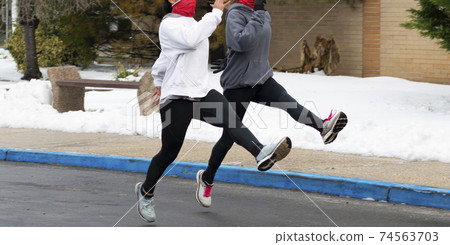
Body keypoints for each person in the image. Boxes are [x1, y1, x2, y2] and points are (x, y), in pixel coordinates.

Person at [135, 0, 292, 223]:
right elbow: (190, 41)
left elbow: (166, 56)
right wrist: (216, 12)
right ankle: (146, 192)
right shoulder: (169, 25)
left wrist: (158, 78)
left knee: (231, 119)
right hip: (177, 99)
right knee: (169, 152)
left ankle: (260, 152)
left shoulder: (192, 23)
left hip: (200, 92)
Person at [195, 0, 348, 207]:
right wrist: (236, 53)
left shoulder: (263, 14)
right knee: (229, 136)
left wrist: (232, 56)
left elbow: (253, 44)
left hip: (261, 78)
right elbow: (241, 42)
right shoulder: (235, 13)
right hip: (238, 83)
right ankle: (207, 178)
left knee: (289, 104)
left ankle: (323, 127)